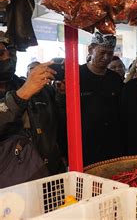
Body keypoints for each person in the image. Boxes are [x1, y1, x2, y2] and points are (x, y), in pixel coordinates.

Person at [0, 32, 66, 178]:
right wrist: (20, 96)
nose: (8, 57)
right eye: (0, 53)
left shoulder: (34, 87)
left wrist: (62, 96)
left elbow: (58, 124)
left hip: (49, 173)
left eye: (11, 51)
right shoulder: (26, 89)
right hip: (11, 184)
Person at [80, 32, 123, 166]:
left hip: (111, 146)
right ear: (90, 49)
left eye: (110, 54)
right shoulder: (76, 75)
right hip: (84, 146)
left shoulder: (115, 79)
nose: (106, 57)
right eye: (102, 52)